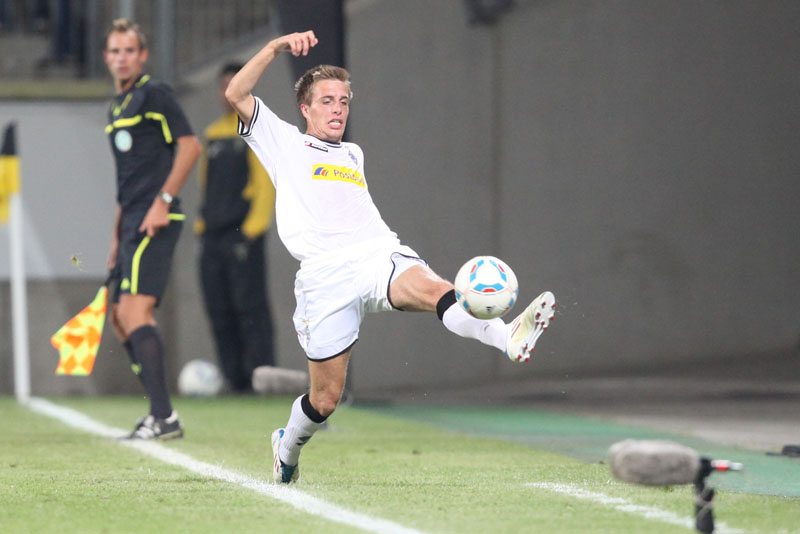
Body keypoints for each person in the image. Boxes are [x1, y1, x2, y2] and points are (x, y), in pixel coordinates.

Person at [225, 30, 556, 483]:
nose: (337, 109)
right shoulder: (282, 141)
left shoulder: (352, 154)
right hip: (324, 277)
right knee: (325, 400)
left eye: (343, 101)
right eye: (327, 101)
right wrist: (273, 48)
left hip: (378, 254)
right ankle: (287, 447)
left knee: (435, 289)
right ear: (305, 109)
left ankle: (506, 336)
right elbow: (236, 93)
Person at [103, 19, 201, 439]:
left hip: (156, 217)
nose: (122, 58)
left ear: (142, 55)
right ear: (107, 57)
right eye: (115, 51)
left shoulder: (154, 94)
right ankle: (161, 413)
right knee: (119, 318)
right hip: (131, 220)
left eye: (129, 50)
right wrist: (115, 236)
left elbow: (190, 146)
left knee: (135, 311)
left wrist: (163, 202)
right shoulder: (116, 108)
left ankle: (163, 418)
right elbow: (125, 180)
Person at [196, 63, 276, 393]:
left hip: (243, 236)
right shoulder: (213, 134)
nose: (228, 94)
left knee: (250, 309)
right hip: (213, 237)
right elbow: (206, 185)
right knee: (219, 309)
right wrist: (202, 226)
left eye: (235, 85)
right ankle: (234, 380)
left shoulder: (255, 133)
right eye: (223, 87)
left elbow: (265, 186)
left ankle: (260, 378)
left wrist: (253, 231)